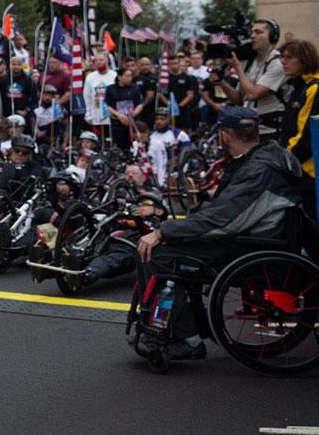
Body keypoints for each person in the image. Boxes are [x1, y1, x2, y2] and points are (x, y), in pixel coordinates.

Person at [134, 106, 305, 362]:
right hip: (265, 238)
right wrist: (204, 197)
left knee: (158, 254)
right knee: (177, 243)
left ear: (225, 134)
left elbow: (222, 220)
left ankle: (185, 339)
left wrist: (163, 231)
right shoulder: (273, 155)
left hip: (251, 248)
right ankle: (180, 323)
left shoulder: (258, 170)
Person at [221, 20, 286, 139]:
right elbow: (239, 100)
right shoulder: (251, 62)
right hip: (250, 129)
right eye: (251, 32)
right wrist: (221, 82)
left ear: (273, 37)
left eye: (258, 32)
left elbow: (253, 94)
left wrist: (238, 68)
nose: (252, 36)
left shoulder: (278, 63)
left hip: (271, 131)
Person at [277, 39, 319, 204]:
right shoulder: (298, 87)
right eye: (282, 57)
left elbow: (307, 134)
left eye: (289, 57)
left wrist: (286, 159)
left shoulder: (313, 88)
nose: (283, 61)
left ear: (305, 60)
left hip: (308, 171)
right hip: (298, 168)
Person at [105, 66, 143, 153]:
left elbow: (140, 103)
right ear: (119, 77)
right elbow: (108, 105)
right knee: (120, 144)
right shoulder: (111, 89)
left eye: (130, 76)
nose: (130, 78)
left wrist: (133, 114)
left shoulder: (135, 88)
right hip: (117, 120)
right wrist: (119, 115)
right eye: (127, 76)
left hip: (132, 119)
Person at [82, 52, 117, 142]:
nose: (98, 62)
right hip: (96, 113)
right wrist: (88, 114)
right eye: (96, 60)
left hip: (112, 114)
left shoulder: (114, 75)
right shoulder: (90, 77)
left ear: (107, 61)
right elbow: (87, 96)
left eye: (101, 60)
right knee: (100, 140)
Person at [168, 55, 200, 132]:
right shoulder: (165, 78)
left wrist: (179, 106)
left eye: (175, 63)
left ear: (179, 64)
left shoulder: (187, 77)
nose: (173, 65)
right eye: (171, 63)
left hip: (183, 109)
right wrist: (170, 105)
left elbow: (190, 94)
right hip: (168, 108)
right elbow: (160, 93)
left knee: (183, 131)